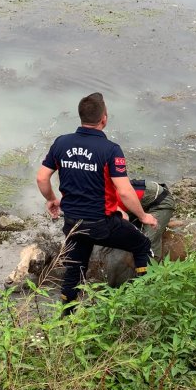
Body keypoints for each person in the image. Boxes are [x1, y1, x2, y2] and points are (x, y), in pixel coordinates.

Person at [36, 92, 158, 312]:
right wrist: (143, 216)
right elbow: (125, 191)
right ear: (104, 118)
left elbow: (42, 177)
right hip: (101, 224)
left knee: (75, 269)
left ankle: (66, 315)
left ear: (81, 117)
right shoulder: (110, 150)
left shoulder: (61, 143)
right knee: (142, 245)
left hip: (72, 223)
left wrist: (51, 199)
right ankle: (143, 300)